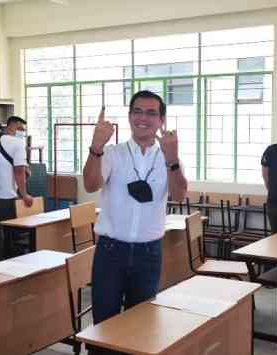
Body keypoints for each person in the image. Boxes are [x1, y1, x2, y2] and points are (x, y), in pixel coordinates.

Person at [83, 91, 188, 352]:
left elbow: (179, 195)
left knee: (140, 329)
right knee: (103, 329)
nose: (144, 118)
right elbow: (90, 184)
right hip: (110, 252)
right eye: (138, 111)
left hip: (148, 254)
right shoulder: (112, 154)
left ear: (161, 120)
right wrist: (95, 148)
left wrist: (172, 159)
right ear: (130, 117)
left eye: (152, 113)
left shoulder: (168, 157)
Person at [0, 116, 33, 263]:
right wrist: (25, 195)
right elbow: (19, 171)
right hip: (6, 199)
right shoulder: (18, 143)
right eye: (21, 129)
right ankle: (8, 269)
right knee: (10, 235)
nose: (22, 132)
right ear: (12, 126)